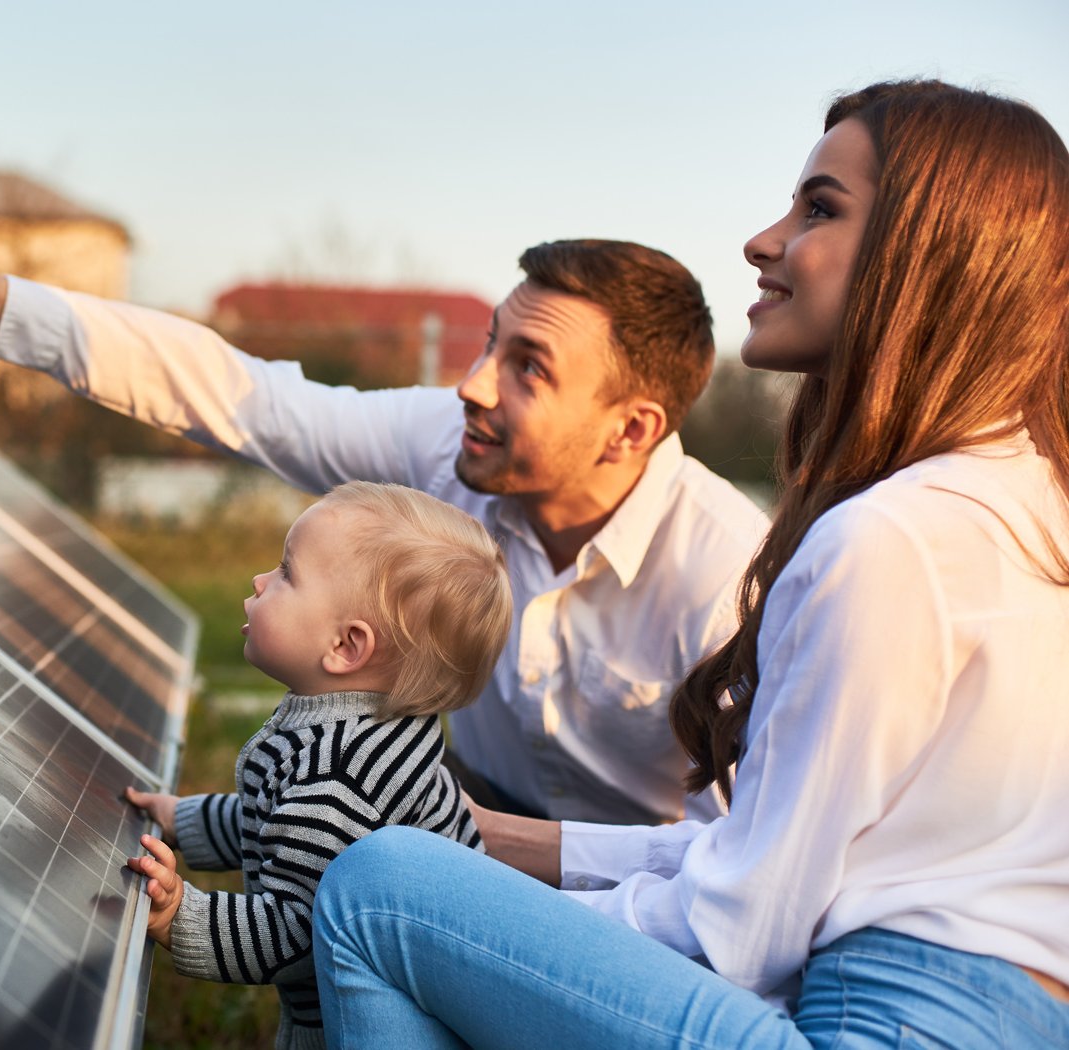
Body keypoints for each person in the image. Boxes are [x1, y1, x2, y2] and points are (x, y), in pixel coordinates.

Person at [307, 79, 1069, 1049]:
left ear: (929, 258)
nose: (763, 240)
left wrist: (476, 928)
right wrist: (489, 846)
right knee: (422, 875)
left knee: (376, 892)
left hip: (867, 1025)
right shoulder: (1030, 503)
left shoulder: (887, 539)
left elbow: (740, 928)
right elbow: (772, 854)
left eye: (819, 208)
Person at [0, 119, 771, 826]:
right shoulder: (449, 447)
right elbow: (236, 394)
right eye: (491, 342)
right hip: (468, 809)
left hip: (640, 897)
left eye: (528, 366)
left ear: (630, 428)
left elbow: (734, 871)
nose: (472, 383)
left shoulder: (727, 577)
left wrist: (485, 855)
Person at [120, 480, 510, 1049]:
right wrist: (187, 820)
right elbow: (281, 821)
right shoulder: (363, 724)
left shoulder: (338, 780)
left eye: (285, 573)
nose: (260, 581)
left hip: (358, 1021)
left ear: (347, 648)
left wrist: (183, 917)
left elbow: (296, 931)